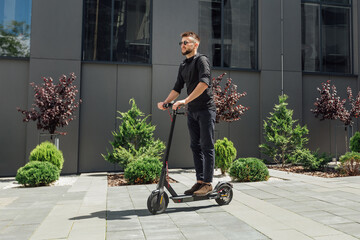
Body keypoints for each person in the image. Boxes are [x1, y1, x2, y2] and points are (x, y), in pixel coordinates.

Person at [157, 31, 216, 196]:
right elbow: (177, 88)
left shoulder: (201, 60)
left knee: (207, 146)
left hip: (205, 110)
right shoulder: (183, 65)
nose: (182, 45)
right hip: (192, 111)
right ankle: (199, 182)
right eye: (181, 43)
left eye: (186, 42)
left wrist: (185, 100)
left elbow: (204, 83)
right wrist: (165, 102)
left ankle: (208, 183)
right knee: (195, 146)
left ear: (195, 44)